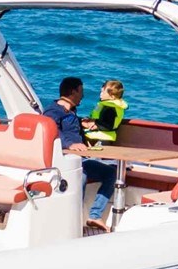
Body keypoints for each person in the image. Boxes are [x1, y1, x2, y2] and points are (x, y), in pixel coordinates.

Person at [41, 77, 120, 230]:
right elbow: (51, 131)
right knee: (80, 175)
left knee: (113, 173)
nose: (83, 96)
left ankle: (94, 216)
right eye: (81, 92)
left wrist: (85, 124)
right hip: (64, 162)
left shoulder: (71, 112)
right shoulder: (53, 111)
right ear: (73, 92)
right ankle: (72, 223)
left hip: (81, 159)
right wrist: (70, 144)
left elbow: (71, 127)